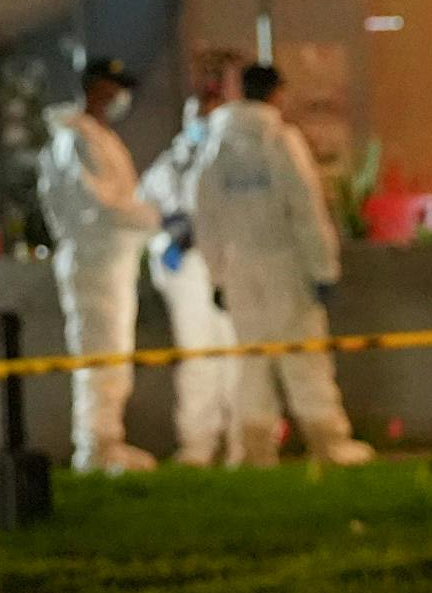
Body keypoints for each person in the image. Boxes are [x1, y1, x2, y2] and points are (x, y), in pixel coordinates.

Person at [193, 62, 374, 469]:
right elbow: (306, 209)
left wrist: (217, 275)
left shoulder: (215, 146)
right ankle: (327, 442)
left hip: (239, 270)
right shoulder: (280, 141)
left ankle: (253, 449)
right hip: (285, 265)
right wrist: (323, 270)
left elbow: (205, 217)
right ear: (276, 94)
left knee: (252, 360)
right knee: (303, 354)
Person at [37, 57, 162, 475]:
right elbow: (102, 205)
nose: (120, 96)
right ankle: (95, 449)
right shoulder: (77, 141)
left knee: (110, 355)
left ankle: (106, 444)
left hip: (108, 260)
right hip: (95, 261)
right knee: (100, 356)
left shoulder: (93, 138)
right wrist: (156, 218)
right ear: (96, 88)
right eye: (113, 87)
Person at [140, 88, 240, 467]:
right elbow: (143, 211)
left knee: (236, 355)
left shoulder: (233, 160)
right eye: (196, 115)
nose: (200, 124)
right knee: (198, 357)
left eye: (208, 116)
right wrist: (169, 238)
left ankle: (242, 441)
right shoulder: (169, 167)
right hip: (188, 271)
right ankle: (198, 443)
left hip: (229, 266)